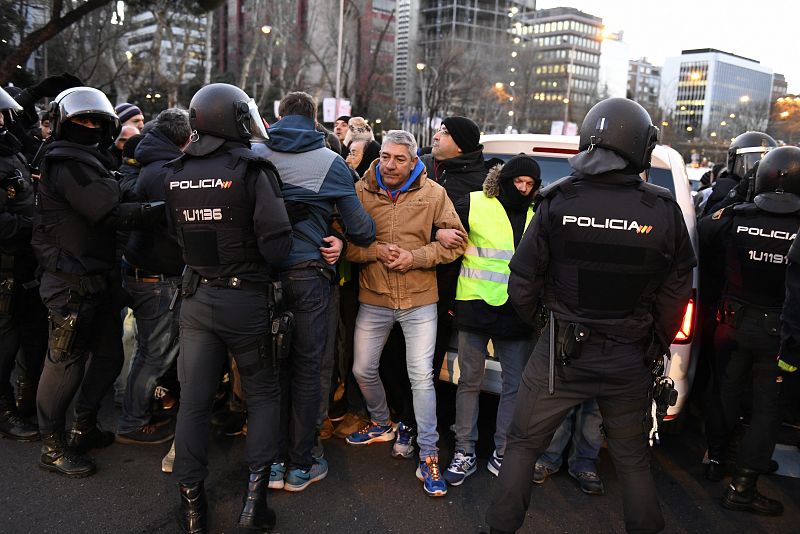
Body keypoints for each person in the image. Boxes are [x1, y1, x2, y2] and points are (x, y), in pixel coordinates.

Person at [486, 98, 696, 534]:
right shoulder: (662, 210)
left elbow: (522, 283)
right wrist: (651, 340)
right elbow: (677, 292)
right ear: (639, 146)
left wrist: (546, 328)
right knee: (632, 457)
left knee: (522, 446)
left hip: (560, 354)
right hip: (628, 355)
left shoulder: (558, 201)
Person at [164, 83, 292, 533]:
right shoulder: (253, 170)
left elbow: (178, 237)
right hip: (246, 301)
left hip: (197, 301)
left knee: (194, 405)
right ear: (233, 118)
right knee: (262, 396)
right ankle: (252, 507)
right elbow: (277, 246)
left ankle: (193, 510)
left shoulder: (175, 171)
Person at [31, 86, 166, 478]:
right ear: (62, 124)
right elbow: (106, 208)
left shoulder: (89, 159)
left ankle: (82, 426)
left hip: (97, 278)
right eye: (81, 121)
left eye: (95, 121)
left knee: (109, 357)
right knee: (64, 365)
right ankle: (52, 446)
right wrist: (161, 206)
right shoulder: (66, 162)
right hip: (70, 283)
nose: (89, 127)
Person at [259, 91, 375, 492]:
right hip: (310, 276)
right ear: (314, 121)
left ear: (278, 116)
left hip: (259, 280)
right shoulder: (331, 162)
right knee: (309, 370)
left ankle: (270, 464)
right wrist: (333, 229)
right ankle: (300, 464)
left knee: (269, 370)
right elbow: (363, 230)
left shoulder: (256, 155)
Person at [344, 129, 466, 497]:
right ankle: (382, 422)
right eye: (386, 157)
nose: (391, 164)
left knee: (421, 378)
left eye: (400, 158)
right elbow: (343, 244)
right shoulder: (360, 191)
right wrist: (376, 252)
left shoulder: (434, 194)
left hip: (420, 301)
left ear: (415, 161)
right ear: (378, 157)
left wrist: (417, 257)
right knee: (362, 368)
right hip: (375, 297)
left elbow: (456, 244)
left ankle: (428, 454)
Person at [698, 146, 800, 516]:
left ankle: (716, 459)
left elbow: (703, 234)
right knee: (766, 411)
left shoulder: (736, 216)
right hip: (776, 335)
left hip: (731, 324)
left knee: (724, 392)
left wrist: (740, 198)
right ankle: (742, 487)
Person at [443, 155, 539, 487]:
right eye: (518, 182)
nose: (524, 189)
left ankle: (503, 452)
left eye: (530, 185)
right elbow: (441, 230)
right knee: (469, 382)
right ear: (506, 180)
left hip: (518, 311)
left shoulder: (538, 214)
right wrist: (442, 236)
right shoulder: (473, 203)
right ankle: (464, 451)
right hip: (475, 305)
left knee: (515, 386)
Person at [116, 108, 192, 445]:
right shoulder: (165, 172)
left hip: (143, 269)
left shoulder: (148, 161)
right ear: (185, 138)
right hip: (157, 276)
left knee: (146, 350)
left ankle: (134, 407)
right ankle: (132, 421)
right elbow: (176, 228)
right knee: (153, 353)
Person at [0, 87, 42, 440]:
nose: (4, 121)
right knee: (5, 342)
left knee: (27, 335)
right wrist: (38, 226)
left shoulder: (11, 153)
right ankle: (4, 411)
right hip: (6, 264)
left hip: (24, 261)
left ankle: (25, 402)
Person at [700, 132, 776, 217]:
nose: (760, 169)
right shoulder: (721, 190)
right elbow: (705, 223)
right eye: (754, 162)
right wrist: (736, 194)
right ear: (734, 162)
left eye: (768, 162)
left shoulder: (778, 191)